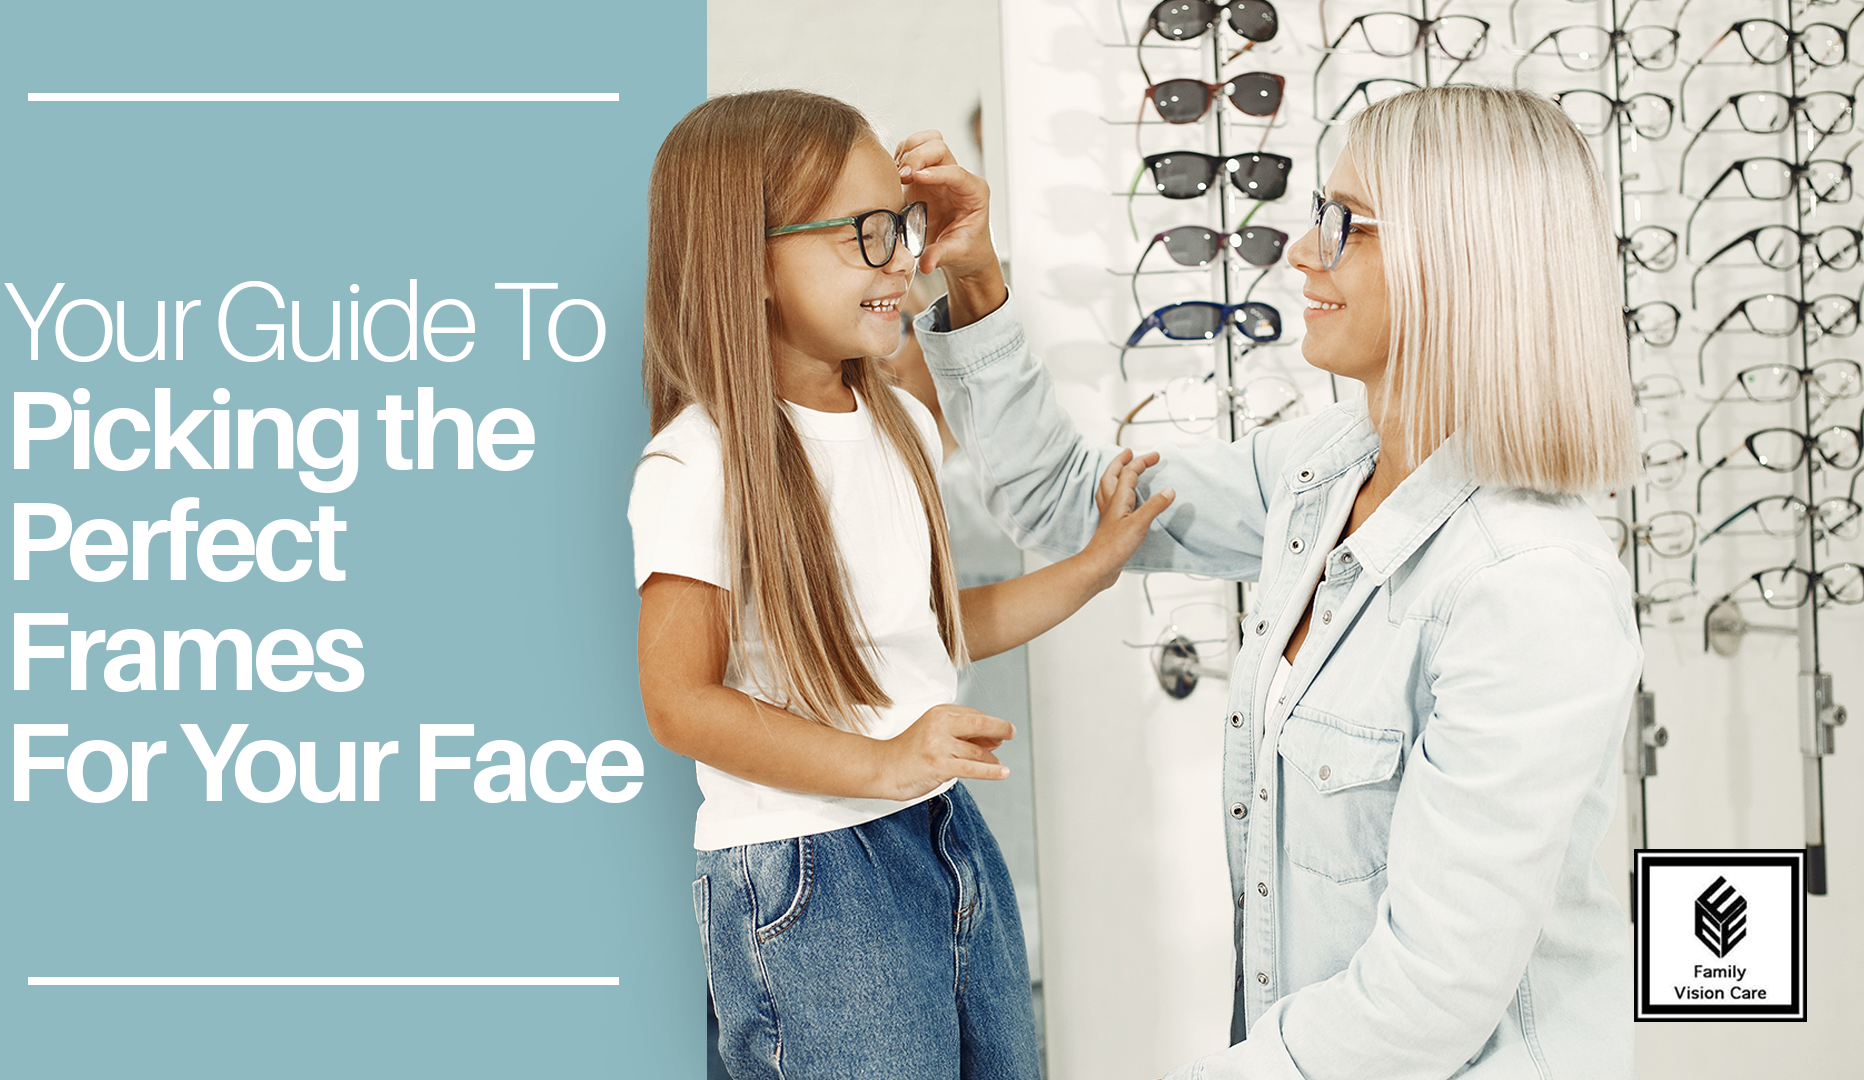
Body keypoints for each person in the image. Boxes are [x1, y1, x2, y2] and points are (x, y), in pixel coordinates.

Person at [898, 85, 1642, 1078]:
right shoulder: (1324, 474)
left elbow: (1429, 998)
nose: (1302, 251)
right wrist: (977, 282)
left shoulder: (1528, 587)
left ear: (1460, 261)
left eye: (1347, 225)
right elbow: (1077, 509)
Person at [629, 89, 1175, 1080]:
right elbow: (678, 700)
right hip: (809, 870)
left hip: (940, 831)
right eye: (866, 233)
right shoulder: (698, 465)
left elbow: (928, 630)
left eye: (903, 226)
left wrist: (1093, 566)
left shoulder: (898, 428)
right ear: (749, 260)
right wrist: (884, 761)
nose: (902, 260)